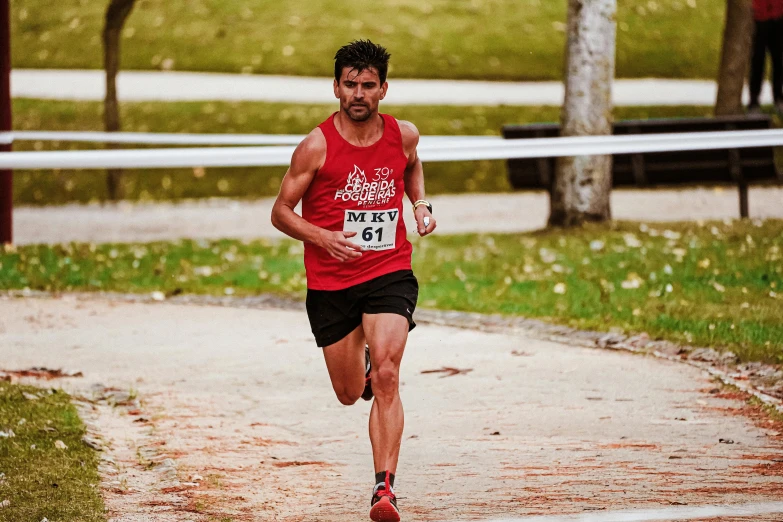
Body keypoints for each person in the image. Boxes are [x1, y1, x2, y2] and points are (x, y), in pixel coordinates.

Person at [270, 40, 436, 522]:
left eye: (368, 85)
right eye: (349, 84)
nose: (358, 93)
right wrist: (323, 237)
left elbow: (413, 164)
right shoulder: (316, 146)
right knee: (349, 392)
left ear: (383, 88)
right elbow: (280, 212)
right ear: (336, 86)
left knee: (388, 374)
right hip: (331, 282)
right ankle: (358, 365)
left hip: (388, 270)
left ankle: (384, 489)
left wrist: (419, 203)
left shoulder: (403, 135)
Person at [749, 0, 783, 113]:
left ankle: (778, 97)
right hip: (760, 17)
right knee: (758, 61)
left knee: (778, 61)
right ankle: (754, 101)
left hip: (777, 16)